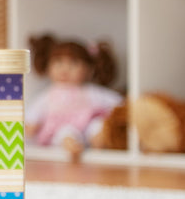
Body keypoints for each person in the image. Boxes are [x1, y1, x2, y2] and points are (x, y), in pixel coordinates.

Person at [25, 33, 122, 161]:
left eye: (73, 63)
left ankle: (100, 141)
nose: (65, 69)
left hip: (86, 127)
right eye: (58, 62)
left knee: (97, 125)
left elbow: (117, 103)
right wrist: (31, 124)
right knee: (65, 132)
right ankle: (71, 146)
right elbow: (34, 112)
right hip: (59, 131)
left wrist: (121, 111)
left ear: (89, 69)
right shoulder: (49, 94)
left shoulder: (90, 91)